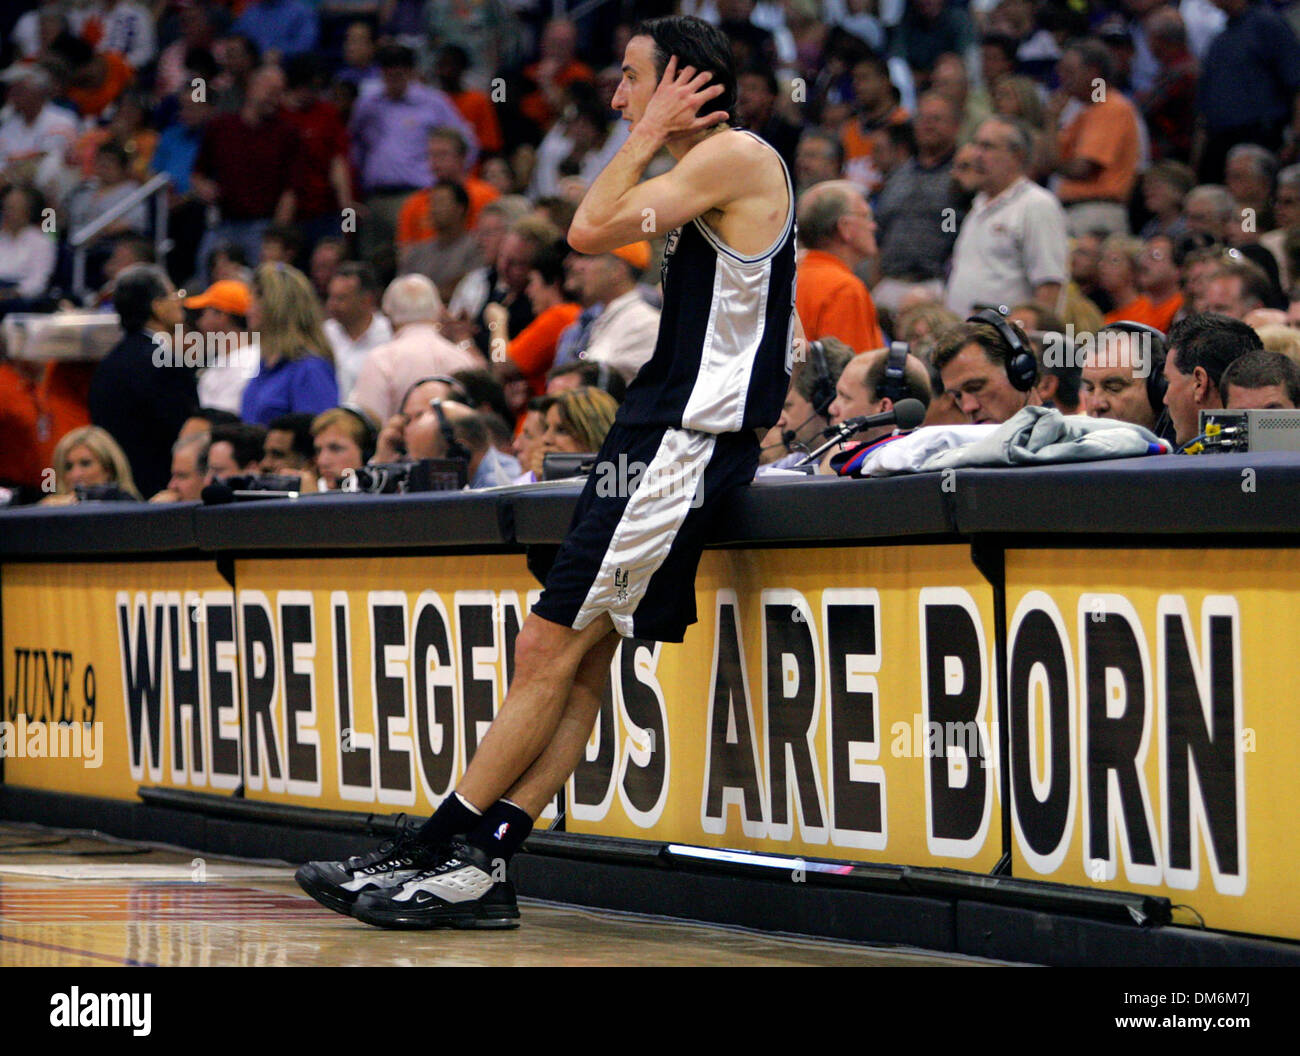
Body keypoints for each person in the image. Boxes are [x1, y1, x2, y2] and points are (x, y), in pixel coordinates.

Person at [297, 15, 797, 930]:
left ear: (683, 83)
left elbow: (587, 230)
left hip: (685, 436)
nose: (616, 98)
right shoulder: (700, 172)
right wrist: (645, 137)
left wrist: (644, 136)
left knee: (548, 648)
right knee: (580, 657)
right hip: (663, 432)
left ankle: (435, 845)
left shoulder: (737, 159)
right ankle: (482, 865)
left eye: (631, 79)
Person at [945, 116, 1068, 319]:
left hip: (1007, 341)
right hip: (968, 334)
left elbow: (1049, 286)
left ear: (1017, 156)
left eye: (987, 147)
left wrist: (1033, 341)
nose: (976, 155)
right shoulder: (977, 204)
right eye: (975, 144)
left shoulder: (1037, 204)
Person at [240, 263, 339, 425]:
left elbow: (319, 432)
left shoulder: (310, 369)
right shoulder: (265, 366)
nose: (248, 310)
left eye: (257, 298)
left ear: (278, 306)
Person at [40, 425, 141, 505]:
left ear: (109, 469)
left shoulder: (131, 508)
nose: (75, 475)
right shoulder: (50, 510)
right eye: (68, 467)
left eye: (85, 464)